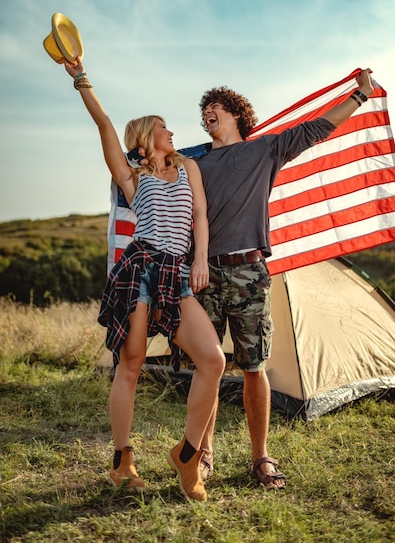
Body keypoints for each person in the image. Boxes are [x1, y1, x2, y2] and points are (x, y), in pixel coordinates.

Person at [195, 69, 374, 490]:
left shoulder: (266, 150)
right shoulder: (195, 160)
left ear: (237, 114)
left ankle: (260, 457)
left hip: (249, 272)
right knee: (208, 368)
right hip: (204, 273)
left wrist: (360, 96)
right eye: (204, 111)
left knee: (254, 367)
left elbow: (319, 128)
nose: (207, 113)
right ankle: (203, 454)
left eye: (215, 107)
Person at [63, 57, 226, 502]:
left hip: (178, 270)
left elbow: (199, 217)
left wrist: (201, 260)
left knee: (213, 360)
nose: (172, 133)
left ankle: (188, 455)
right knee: (131, 366)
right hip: (140, 268)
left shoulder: (188, 167)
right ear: (146, 136)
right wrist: (81, 79)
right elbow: (104, 126)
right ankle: (122, 460)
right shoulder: (132, 178)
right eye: (164, 127)